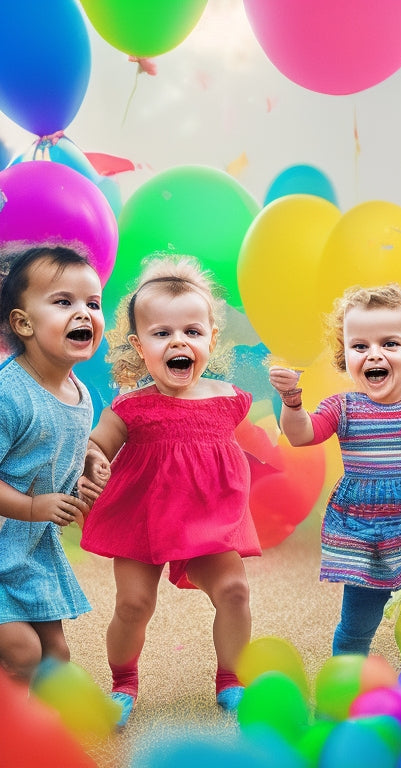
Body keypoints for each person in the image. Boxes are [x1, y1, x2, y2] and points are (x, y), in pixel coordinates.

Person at [79, 256, 260, 726]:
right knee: (133, 604)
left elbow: (230, 450)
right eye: (162, 334)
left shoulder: (229, 399)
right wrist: (94, 458)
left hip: (207, 519)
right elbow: (99, 443)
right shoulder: (131, 406)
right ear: (140, 347)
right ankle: (123, 682)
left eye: (192, 332)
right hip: (142, 517)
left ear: (210, 339)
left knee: (235, 590)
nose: (179, 341)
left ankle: (232, 681)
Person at [269, 283, 401, 663]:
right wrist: (292, 401)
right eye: (360, 346)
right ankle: (347, 686)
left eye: (390, 343)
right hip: (367, 526)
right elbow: (301, 435)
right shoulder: (343, 406)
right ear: (345, 353)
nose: (374, 355)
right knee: (357, 623)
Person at [0, 245, 105, 684]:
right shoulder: (10, 394)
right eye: (64, 302)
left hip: (30, 549)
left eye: (92, 304)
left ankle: (36, 739)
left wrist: (90, 458)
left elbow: (60, 440)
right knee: (22, 651)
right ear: (23, 323)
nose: (83, 313)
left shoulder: (79, 393)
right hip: (8, 531)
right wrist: (32, 507)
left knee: (55, 658)